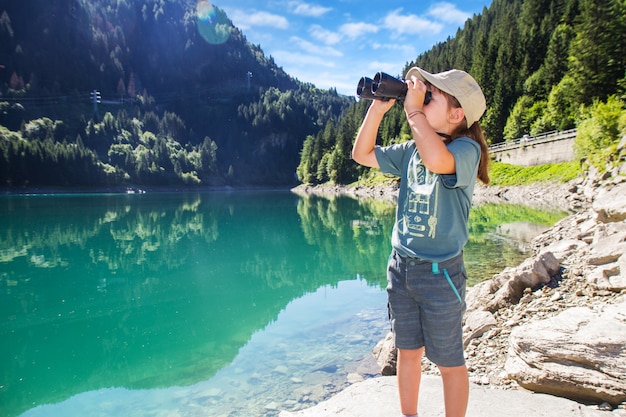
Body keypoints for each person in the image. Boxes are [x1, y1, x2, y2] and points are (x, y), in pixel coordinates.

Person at [351, 67, 490, 417]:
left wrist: (413, 110)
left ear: (457, 114)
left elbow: (437, 160)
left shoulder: (465, 149)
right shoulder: (412, 149)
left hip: (441, 275)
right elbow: (362, 154)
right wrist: (378, 108)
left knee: (448, 360)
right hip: (401, 270)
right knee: (408, 352)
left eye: (431, 96)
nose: (421, 98)